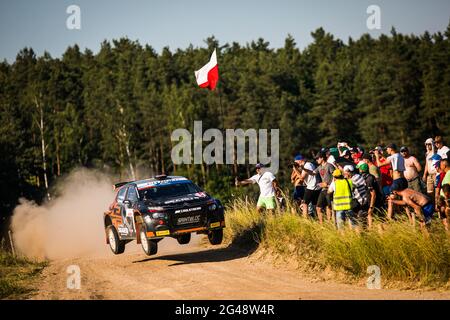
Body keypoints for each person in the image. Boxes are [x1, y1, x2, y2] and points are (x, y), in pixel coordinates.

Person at [357, 162, 383, 228]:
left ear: (362, 169)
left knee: (373, 217)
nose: (358, 170)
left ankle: (372, 232)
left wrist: (371, 206)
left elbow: (373, 194)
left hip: (374, 202)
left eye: (359, 169)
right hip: (371, 200)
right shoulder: (367, 176)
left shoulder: (369, 178)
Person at [315, 151, 335, 223]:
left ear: (322, 158)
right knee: (318, 208)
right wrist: (302, 168)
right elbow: (312, 173)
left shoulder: (329, 166)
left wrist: (328, 185)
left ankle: (330, 223)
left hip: (330, 189)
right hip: (323, 190)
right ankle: (321, 224)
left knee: (329, 207)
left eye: (317, 158)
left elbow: (335, 176)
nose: (316, 160)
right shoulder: (319, 167)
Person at [422, 138, 438, 205]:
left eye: (429, 144)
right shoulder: (427, 154)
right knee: (430, 192)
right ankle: (433, 207)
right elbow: (426, 164)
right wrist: (424, 174)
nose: (428, 146)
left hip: (436, 174)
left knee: (437, 191)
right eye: (427, 144)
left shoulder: (437, 152)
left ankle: (438, 207)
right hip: (429, 175)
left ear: (432, 144)